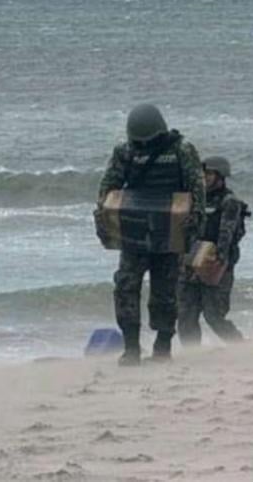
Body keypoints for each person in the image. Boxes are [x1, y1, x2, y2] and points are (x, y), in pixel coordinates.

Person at [97, 104, 205, 366]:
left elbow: (196, 187)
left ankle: (163, 344)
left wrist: (195, 221)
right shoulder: (125, 152)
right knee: (126, 286)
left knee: (165, 291)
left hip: (170, 232)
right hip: (134, 232)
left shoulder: (181, 150)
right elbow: (109, 187)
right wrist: (104, 219)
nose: (143, 144)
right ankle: (131, 347)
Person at [177, 156, 249, 345]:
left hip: (216, 263)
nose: (205, 177)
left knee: (214, 316)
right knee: (185, 315)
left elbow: (227, 235)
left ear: (220, 176)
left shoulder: (229, 202)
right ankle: (192, 353)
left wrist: (218, 261)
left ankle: (240, 348)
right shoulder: (195, 200)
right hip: (191, 260)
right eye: (203, 174)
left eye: (209, 174)